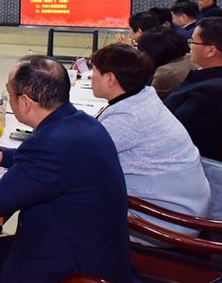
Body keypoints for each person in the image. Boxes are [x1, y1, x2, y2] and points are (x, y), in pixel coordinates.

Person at [0, 56, 135, 283]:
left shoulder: (50, 144)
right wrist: (3, 156)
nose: (8, 99)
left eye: (9, 94)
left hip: (76, 274)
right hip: (93, 246)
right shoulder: (80, 122)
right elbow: (52, 162)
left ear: (26, 102)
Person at [90, 44, 210, 235]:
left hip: (165, 221)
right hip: (184, 205)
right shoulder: (143, 98)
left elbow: (78, 158)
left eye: (94, 71)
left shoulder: (127, 119)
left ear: (110, 78)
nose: (91, 77)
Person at [166, 17, 222, 160]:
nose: (190, 46)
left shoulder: (210, 92)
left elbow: (176, 133)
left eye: (193, 41)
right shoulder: (210, 77)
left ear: (211, 50)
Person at [137, 26, 195, 100]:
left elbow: (146, 102)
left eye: (142, 51)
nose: (141, 55)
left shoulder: (165, 72)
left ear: (154, 52)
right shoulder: (189, 57)